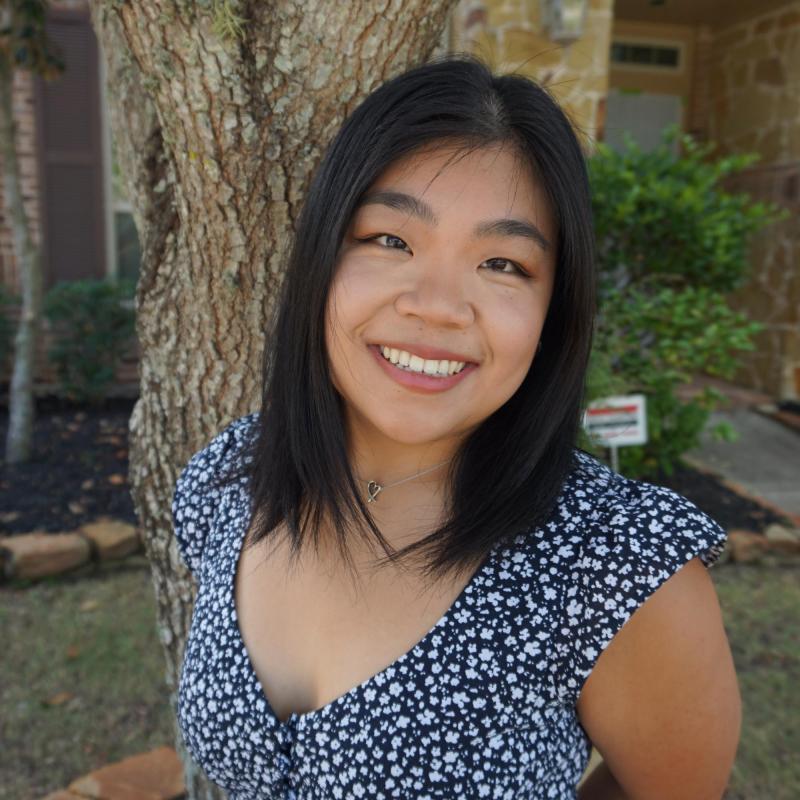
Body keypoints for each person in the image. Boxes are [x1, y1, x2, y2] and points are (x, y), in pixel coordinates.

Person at [171, 54, 741, 799]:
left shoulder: (619, 569)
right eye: (391, 241)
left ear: (552, 312)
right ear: (322, 258)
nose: (437, 306)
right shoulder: (231, 476)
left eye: (502, 263)